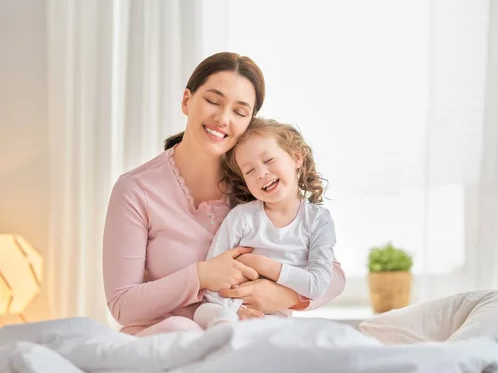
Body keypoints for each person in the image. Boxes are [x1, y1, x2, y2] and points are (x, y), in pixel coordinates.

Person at [102, 52, 346, 336]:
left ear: (249, 123)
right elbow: (122, 304)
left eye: (239, 112)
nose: (222, 118)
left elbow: (334, 276)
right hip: (162, 344)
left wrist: (284, 296)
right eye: (213, 101)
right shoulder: (136, 190)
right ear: (186, 100)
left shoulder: (257, 188)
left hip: (243, 345)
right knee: (182, 330)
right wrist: (201, 276)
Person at [193, 118, 336, 328]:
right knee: (205, 312)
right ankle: (225, 333)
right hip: (225, 307)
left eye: (268, 160)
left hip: (271, 316)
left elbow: (317, 285)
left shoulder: (318, 221)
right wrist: (234, 310)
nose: (261, 173)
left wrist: (263, 265)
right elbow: (213, 273)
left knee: (278, 329)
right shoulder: (241, 217)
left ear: (297, 157)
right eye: (249, 171)